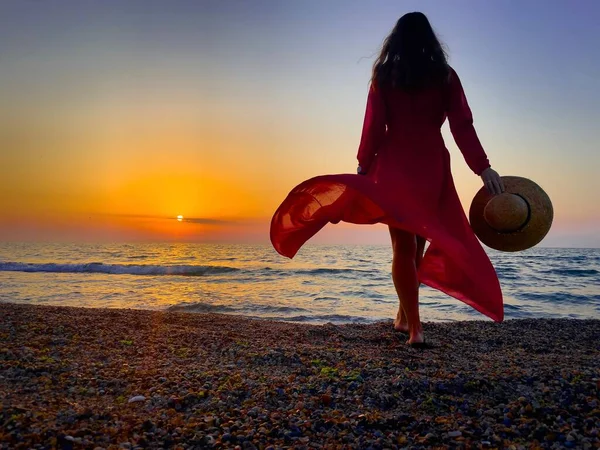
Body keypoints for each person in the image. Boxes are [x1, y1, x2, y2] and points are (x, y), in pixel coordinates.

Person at [270, 12, 505, 346]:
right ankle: (409, 321)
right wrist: (483, 168)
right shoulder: (444, 75)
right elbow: (461, 126)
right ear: (430, 41)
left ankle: (412, 326)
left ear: (395, 40)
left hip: (395, 164)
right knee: (416, 243)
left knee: (403, 247)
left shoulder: (385, 75)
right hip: (431, 164)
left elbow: (374, 127)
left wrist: (363, 166)